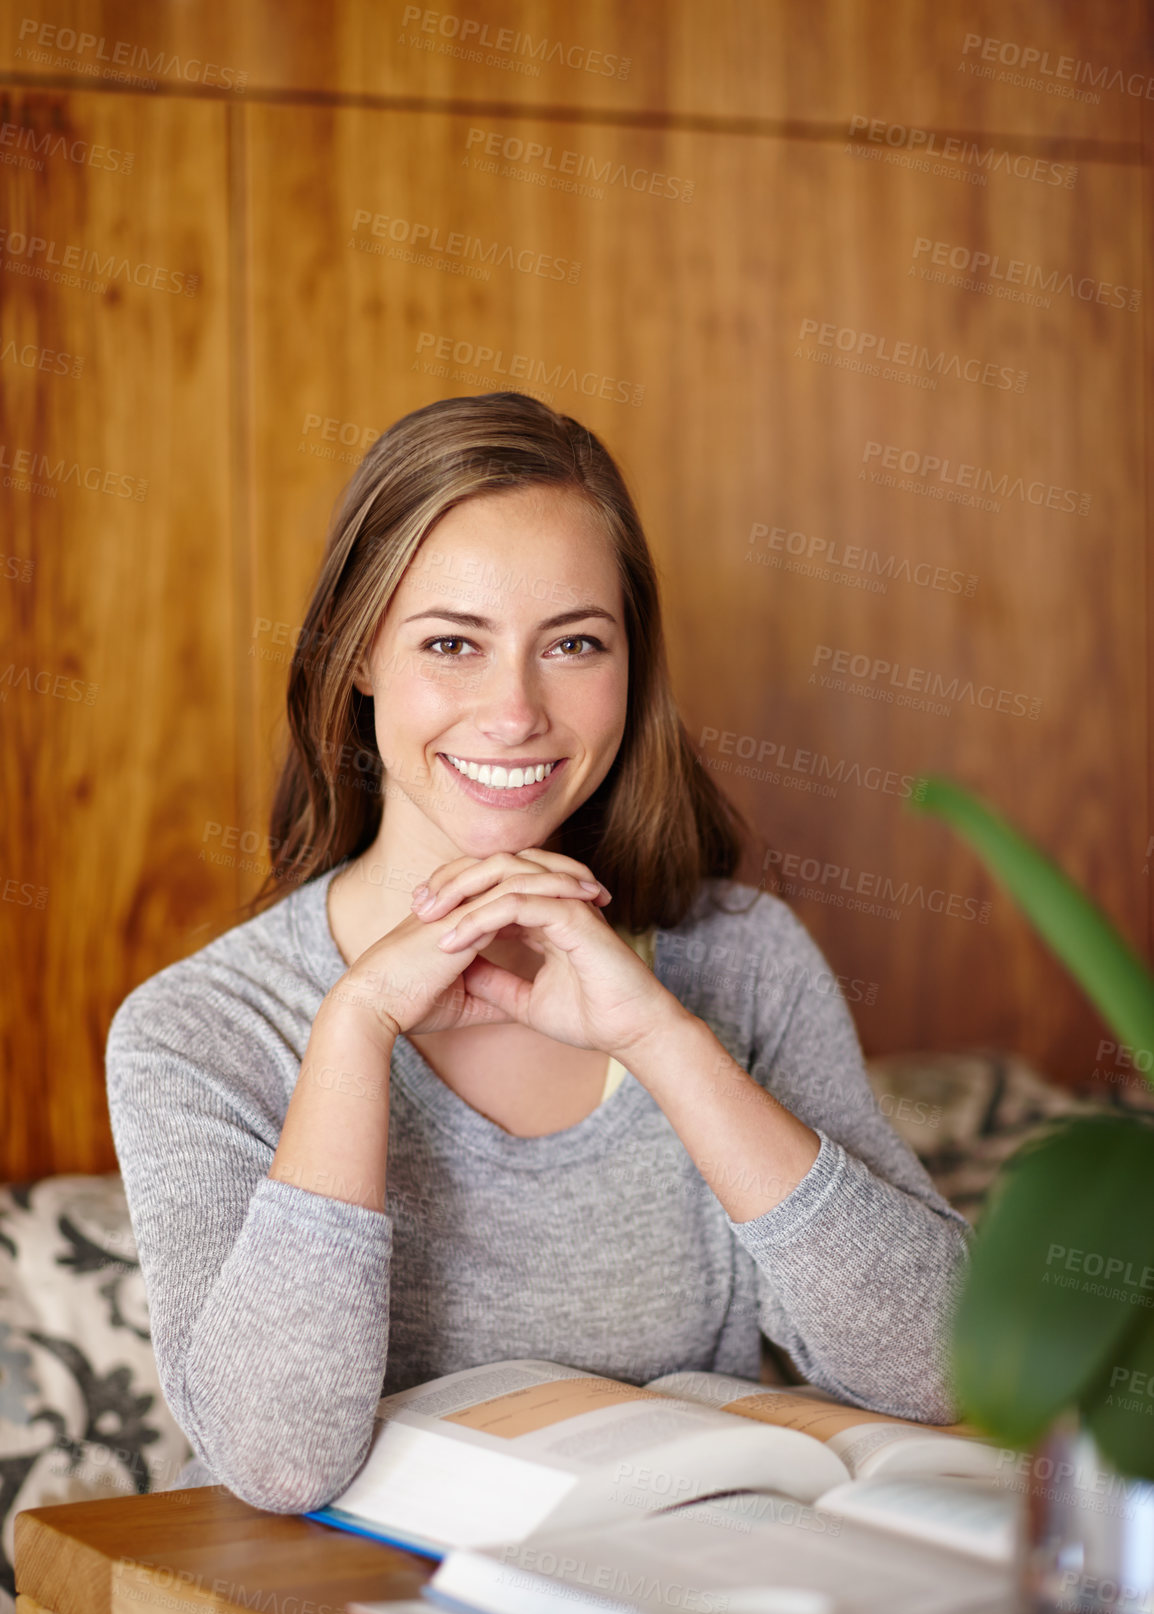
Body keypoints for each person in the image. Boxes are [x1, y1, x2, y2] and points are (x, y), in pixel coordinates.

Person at [105, 391, 970, 1523]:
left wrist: (661, 1035)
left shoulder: (742, 960)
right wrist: (354, 1030)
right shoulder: (198, 1027)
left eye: (572, 644)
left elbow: (943, 1364)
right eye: (451, 644)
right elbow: (276, 1461)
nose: (513, 711)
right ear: (360, 655)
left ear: (629, 664)